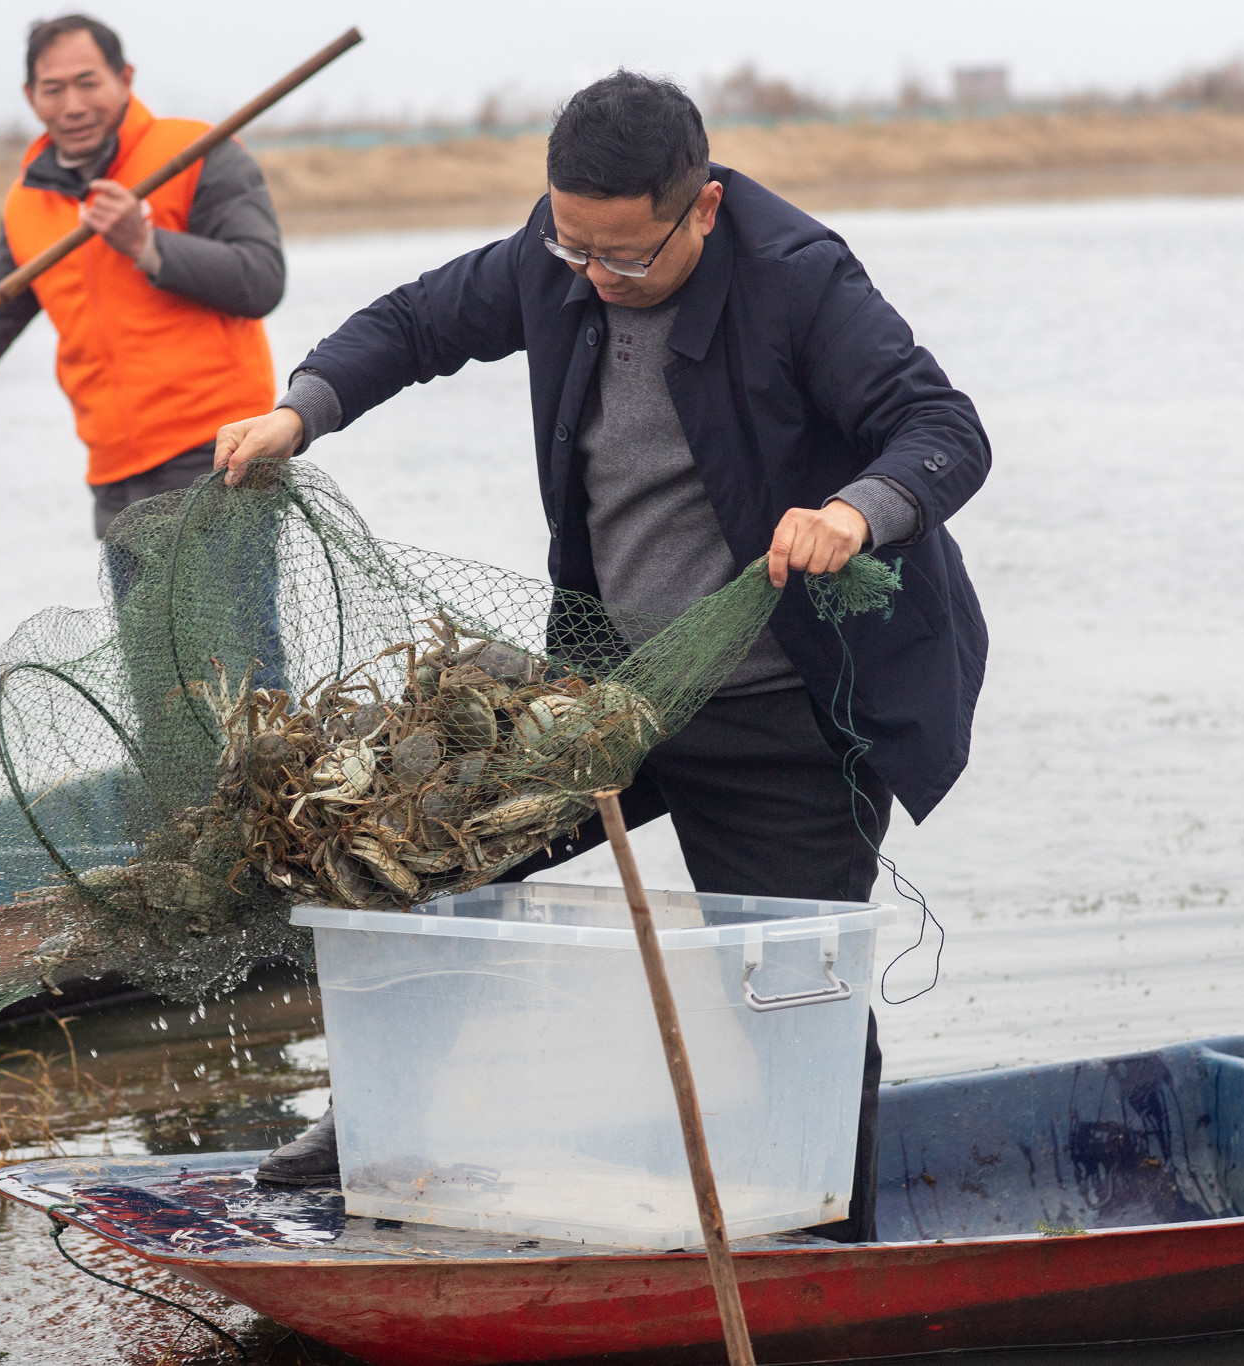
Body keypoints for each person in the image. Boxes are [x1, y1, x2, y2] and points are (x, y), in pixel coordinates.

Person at [218, 72, 991, 1242]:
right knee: (419, 850)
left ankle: (832, 1250)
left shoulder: (798, 279)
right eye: (571, 244)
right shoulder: (557, 249)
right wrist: (301, 409)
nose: (590, 275)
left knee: (787, 993)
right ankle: (377, 1120)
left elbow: (944, 428)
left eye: (622, 257)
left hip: (783, 707)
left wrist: (855, 508)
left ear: (703, 209)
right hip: (612, 695)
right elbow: (415, 323)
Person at [0, 13, 284, 539]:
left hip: (221, 452)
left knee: (231, 626)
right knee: (141, 628)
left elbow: (261, 280)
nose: (73, 106)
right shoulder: (27, 203)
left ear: (125, 78)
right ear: (30, 96)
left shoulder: (199, 154)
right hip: (115, 474)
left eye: (88, 83)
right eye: (53, 89)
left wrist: (146, 245)